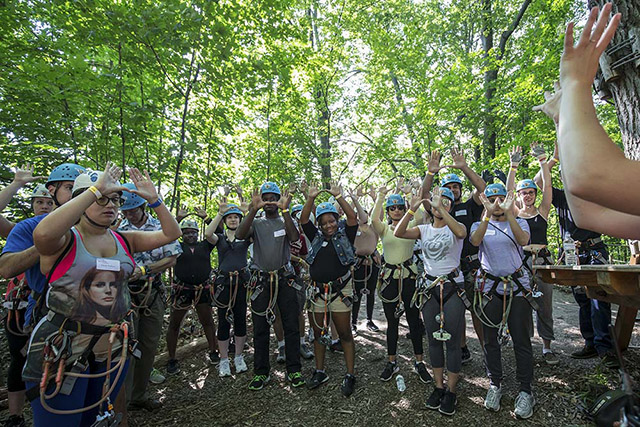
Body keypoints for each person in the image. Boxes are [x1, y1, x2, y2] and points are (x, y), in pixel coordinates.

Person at [24, 164, 181, 427]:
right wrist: (96, 189)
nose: (111, 205)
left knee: (93, 420)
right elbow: (42, 233)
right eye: (101, 200)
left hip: (109, 352)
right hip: (64, 352)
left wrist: (154, 200)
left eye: (115, 200)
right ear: (80, 202)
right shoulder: (65, 241)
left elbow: (171, 234)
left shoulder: (124, 240)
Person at [395, 187, 466, 416]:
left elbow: (462, 234)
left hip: (453, 287)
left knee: (453, 340)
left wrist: (440, 207)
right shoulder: (423, 229)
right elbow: (398, 232)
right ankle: (438, 386)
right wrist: (412, 208)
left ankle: (452, 391)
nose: (440, 205)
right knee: (434, 339)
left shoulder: (456, 228)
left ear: (451, 206)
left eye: (446, 202)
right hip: (429, 288)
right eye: (436, 202)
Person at [470, 183, 535, 419]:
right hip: (490, 288)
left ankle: (526, 390)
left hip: (517, 288)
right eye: (491, 199)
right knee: (490, 339)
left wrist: (510, 213)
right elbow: (475, 242)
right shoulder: (480, 225)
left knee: (521, 340)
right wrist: (488, 215)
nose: (497, 203)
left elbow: (523, 240)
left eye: (500, 199)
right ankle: (494, 384)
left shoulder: (520, 222)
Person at [118, 182, 183, 411]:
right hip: (125, 294)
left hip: (151, 291)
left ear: (143, 207)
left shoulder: (159, 226)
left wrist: (145, 270)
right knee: (125, 346)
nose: (129, 215)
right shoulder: (118, 230)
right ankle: (121, 401)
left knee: (148, 344)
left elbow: (172, 258)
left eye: (132, 211)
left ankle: (139, 394)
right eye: (125, 211)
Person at [235, 182, 305, 390]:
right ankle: (261, 372)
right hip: (261, 281)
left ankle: (294, 370)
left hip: (284, 279)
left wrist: (285, 210)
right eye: (265, 198)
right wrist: (253, 210)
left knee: (291, 325)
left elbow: (294, 238)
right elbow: (239, 235)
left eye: (273, 198)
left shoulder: (286, 220)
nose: (269, 201)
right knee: (260, 328)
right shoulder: (256, 223)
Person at [421, 148, 486, 363]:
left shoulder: (469, 206)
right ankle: (462, 347)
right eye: (448, 188)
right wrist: (430, 173)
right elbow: (423, 198)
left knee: (476, 309)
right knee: (453, 313)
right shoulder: (438, 214)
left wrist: (463, 167)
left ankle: (486, 349)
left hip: (471, 265)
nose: (453, 190)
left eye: (456, 187)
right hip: (449, 270)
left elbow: (483, 189)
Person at [300, 183, 358, 396]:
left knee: (344, 333)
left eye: (331, 220)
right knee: (318, 333)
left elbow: (353, 218)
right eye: (323, 222)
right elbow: (303, 219)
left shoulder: (346, 235)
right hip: (317, 292)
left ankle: (350, 374)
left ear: (337, 220)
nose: (328, 225)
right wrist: (311, 198)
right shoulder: (315, 236)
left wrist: (339, 195)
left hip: (340, 290)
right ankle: (320, 370)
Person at [371, 187, 431, 384]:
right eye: (392, 208)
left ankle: (419, 361)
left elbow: (421, 216)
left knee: (414, 321)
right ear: (388, 211)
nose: (396, 211)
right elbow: (373, 220)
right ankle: (392, 361)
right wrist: (380, 197)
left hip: (408, 278)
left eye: (399, 208)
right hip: (390, 278)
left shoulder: (411, 224)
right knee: (392, 322)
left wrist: (410, 198)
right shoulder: (384, 229)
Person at [506, 144, 558, 365]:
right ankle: (525, 345)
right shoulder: (516, 214)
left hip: (543, 264)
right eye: (523, 193)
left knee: (545, 306)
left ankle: (547, 347)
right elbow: (508, 193)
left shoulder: (542, 212)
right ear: (519, 196)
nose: (527, 196)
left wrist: (543, 162)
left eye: (530, 192)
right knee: (523, 305)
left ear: (534, 194)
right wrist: (513, 166)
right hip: (523, 264)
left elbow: (548, 187)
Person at [165, 218, 218, 375]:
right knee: (175, 324)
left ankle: (213, 351)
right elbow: (167, 234)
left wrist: (207, 218)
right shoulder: (177, 246)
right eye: (186, 233)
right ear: (182, 234)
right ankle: (172, 358)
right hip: (182, 289)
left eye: (193, 232)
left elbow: (217, 233)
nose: (190, 235)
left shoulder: (205, 245)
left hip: (203, 288)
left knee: (207, 321)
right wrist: (178, 219)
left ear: (197, 233)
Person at [207, 202, 251, 377]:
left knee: (240, 318)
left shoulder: (246, 237)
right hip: (224, 283)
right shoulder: (220, 238)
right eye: (230, 217)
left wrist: (247, 212)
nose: (233, 220)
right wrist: (219, 212)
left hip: (241, 282)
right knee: (223, 320)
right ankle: (224, 359)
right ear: (225, 221)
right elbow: (207, 233)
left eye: (236, 217)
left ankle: (239, 356)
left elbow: (255, 230)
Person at [348, 187, 381, 333]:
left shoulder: (374, 227)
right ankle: (353, 322)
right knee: (356, 293)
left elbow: (377, 213)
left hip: (373, 262)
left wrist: (375, 198)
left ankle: (369, 320)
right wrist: (355, 199)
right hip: (357, 263)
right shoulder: (353, 229)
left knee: (371, 291)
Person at [0, 164, 47, 238]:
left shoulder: (68, 230)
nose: (45, 207)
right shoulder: (23, 230)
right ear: (32, 204)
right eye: (40, 202)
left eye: (50, 203)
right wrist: (17, 183)